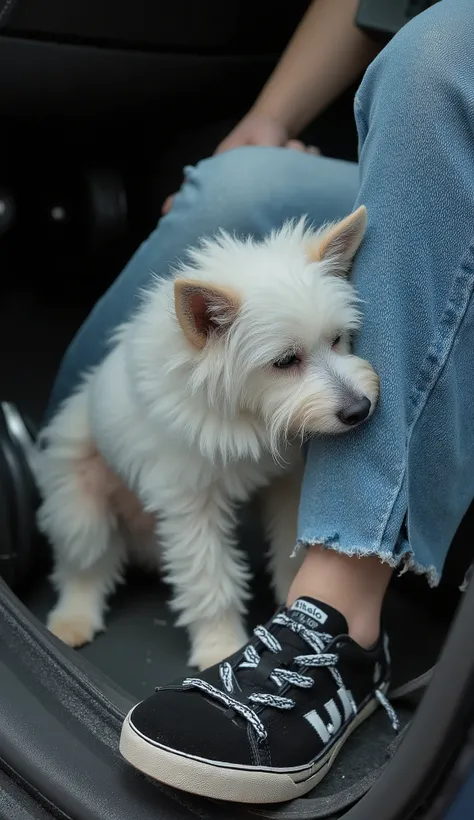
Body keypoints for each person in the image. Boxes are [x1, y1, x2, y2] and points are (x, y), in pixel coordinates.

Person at [47, 0, 474, 804]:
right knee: (234, 184)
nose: (348, 394)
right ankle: (35, 468)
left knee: (444, 47)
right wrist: (267, 119)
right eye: (290, 360)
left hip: (449, 117)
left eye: (341, 347)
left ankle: (331, 619)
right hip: (425, 124)